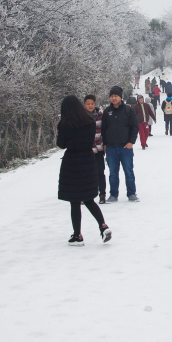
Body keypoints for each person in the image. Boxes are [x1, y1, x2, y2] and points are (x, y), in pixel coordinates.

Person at [57, 95, 112, 246]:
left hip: (72, 164)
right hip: (89, 160)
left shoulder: (65, 124)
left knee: (74, 201)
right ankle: (103, 226)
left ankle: (77, 235)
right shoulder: (89, 122)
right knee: (88, 198)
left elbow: (61, 144)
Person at [102, 86, 140, 202]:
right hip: (111, 148)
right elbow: (104, 129)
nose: (113, 98)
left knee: (128, 172)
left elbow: (135, 126)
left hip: (125, 147)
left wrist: (131, 142)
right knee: (113, 173)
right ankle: (113, 194)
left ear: (120, 97)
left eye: (116, 96)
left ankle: (131, 193)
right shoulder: (107, 111)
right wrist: (105, 144)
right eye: (112, 96)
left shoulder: (128, 110)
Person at [84, 95, 108, 204]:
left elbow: (105, 130)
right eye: (88, 104)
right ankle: (85, 196)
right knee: (86, 174)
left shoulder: (100, 115)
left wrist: (105, 144)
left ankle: (102, 194)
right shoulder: (81, 116)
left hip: (98, 148)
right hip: (86, 150)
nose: (90, 105)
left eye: (92, 103)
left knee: (100, 173)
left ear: (95, 104)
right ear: (84, 105)